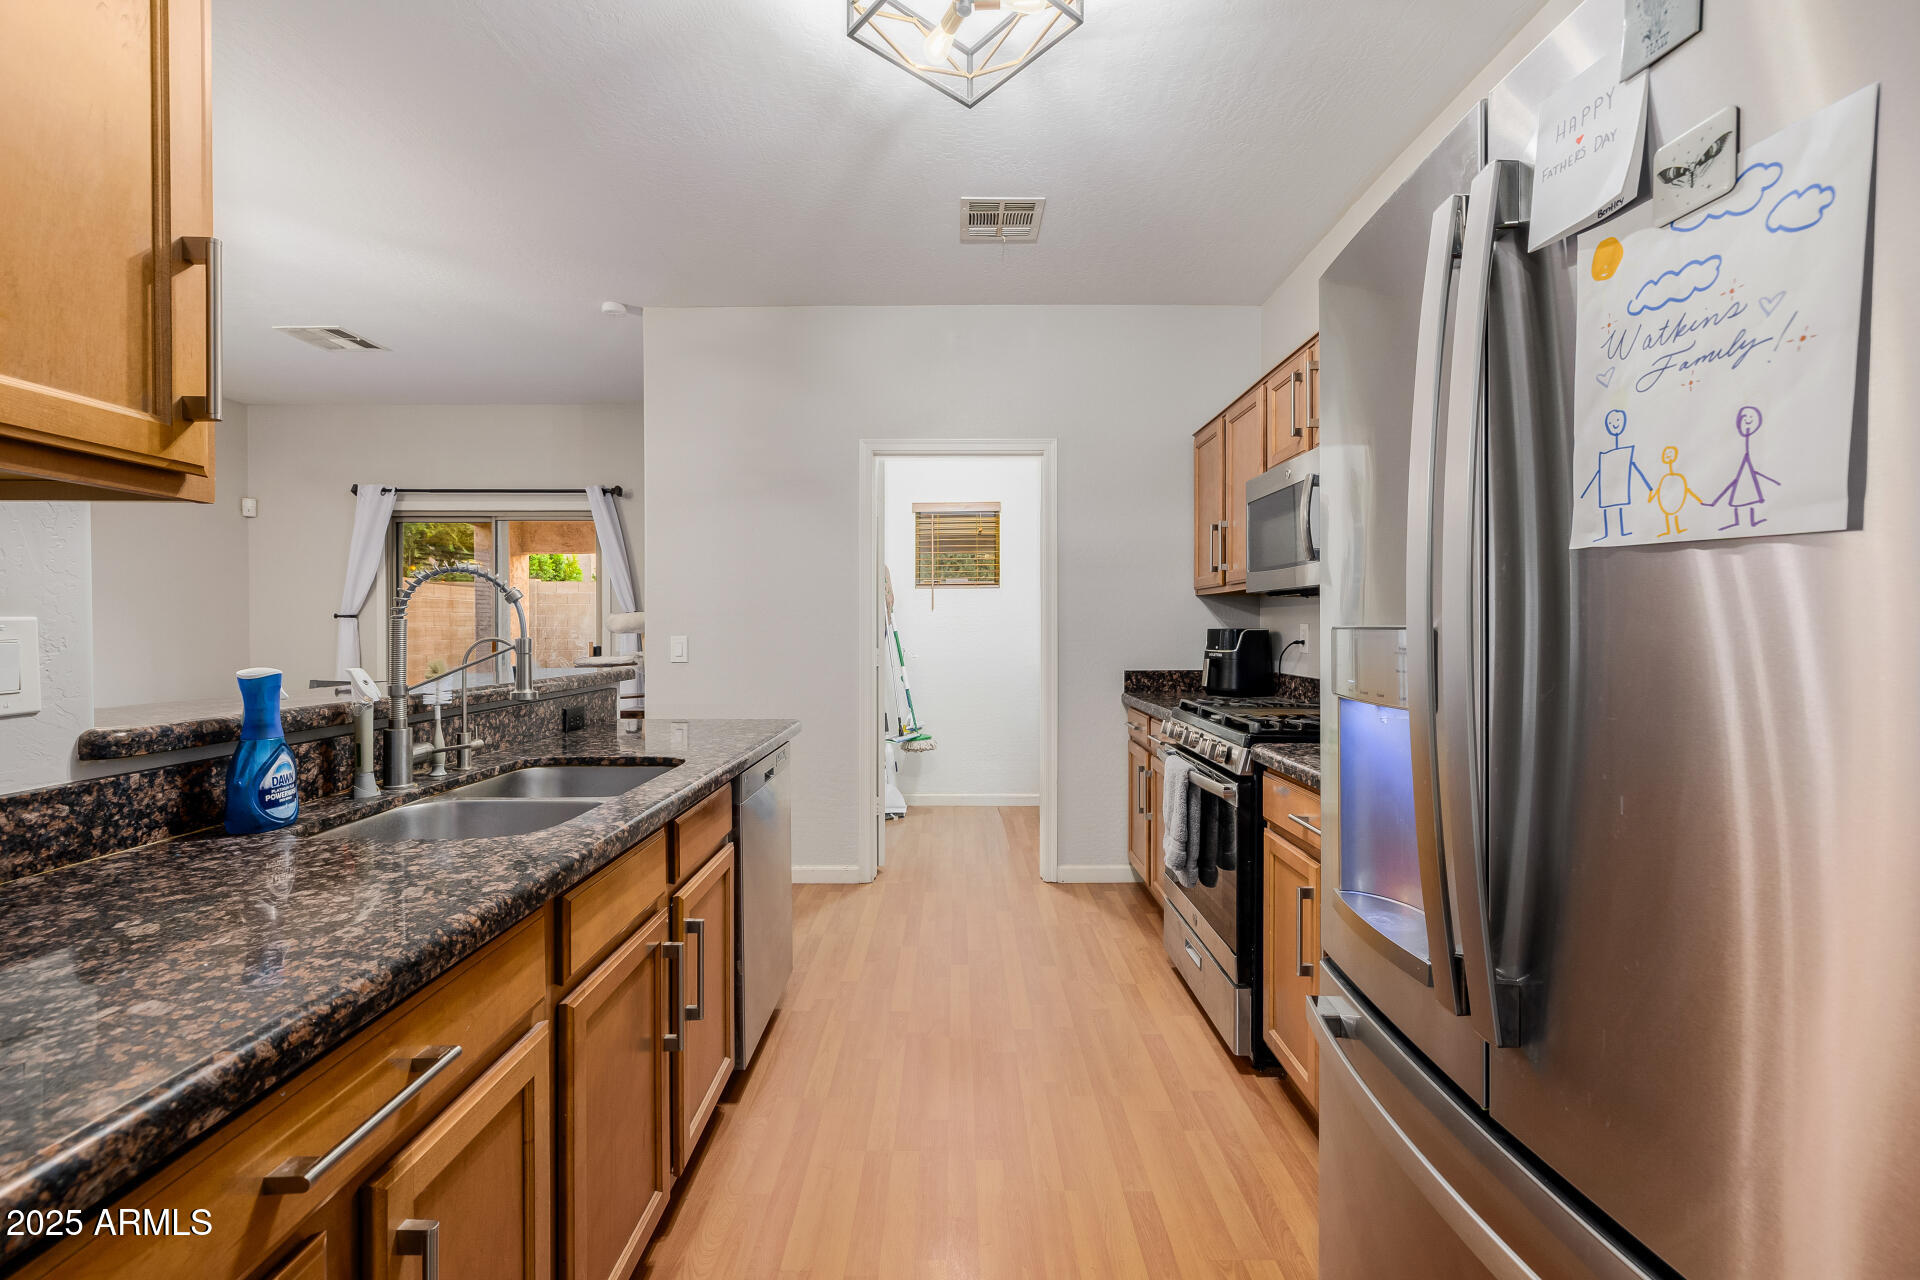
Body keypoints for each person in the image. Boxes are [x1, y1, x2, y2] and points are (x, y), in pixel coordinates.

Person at [1579, 409, 1653, 540]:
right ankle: (1607, 532)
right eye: (1611, 422)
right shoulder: (1605, 455)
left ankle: (1622, 531)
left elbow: (1634, 467)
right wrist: (1585, 490)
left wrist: (1648, 486)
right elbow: (1598, 472)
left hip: (1619, 486)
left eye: (1617, 420)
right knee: (1607, 508)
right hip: (1606, 485)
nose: (1614, 424)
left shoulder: (1624, 452)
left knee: (1619, 507)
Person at [1707, 405, 1780, 530]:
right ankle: (1739, 521)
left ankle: (1752, 520)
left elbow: (1754, 473)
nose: (1748, 419)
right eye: (1745, 417)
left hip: (1748, 484)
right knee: (1739, 501)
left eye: (1751, 417)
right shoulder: (1740, 456)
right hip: (1743, 483)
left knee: (1748, 501)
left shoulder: (1750, 455)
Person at [1646, 445, 1706, 537]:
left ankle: (1677, 529)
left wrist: (1698, 499)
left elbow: (1687, 490)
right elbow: (1659, 490)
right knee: (1668, 514)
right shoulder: (1664, 478)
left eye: (1671, 454)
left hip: (1675, 502)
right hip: (1666, 503)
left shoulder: (1679, 478)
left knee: (1675, 513)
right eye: (1667, 454)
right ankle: (1669, 530)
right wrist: (1651, 496)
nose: (1669, 456)